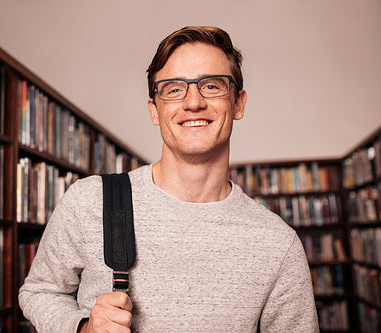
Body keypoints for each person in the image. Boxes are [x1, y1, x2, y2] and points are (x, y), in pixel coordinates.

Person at [18, 26, 319, 333]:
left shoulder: (278, 244)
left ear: (238, 103)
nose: (193, 102)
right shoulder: (88, 201)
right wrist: (81, 328)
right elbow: (39, 292)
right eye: (174, 89)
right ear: (154, 109)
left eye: (212, 86)